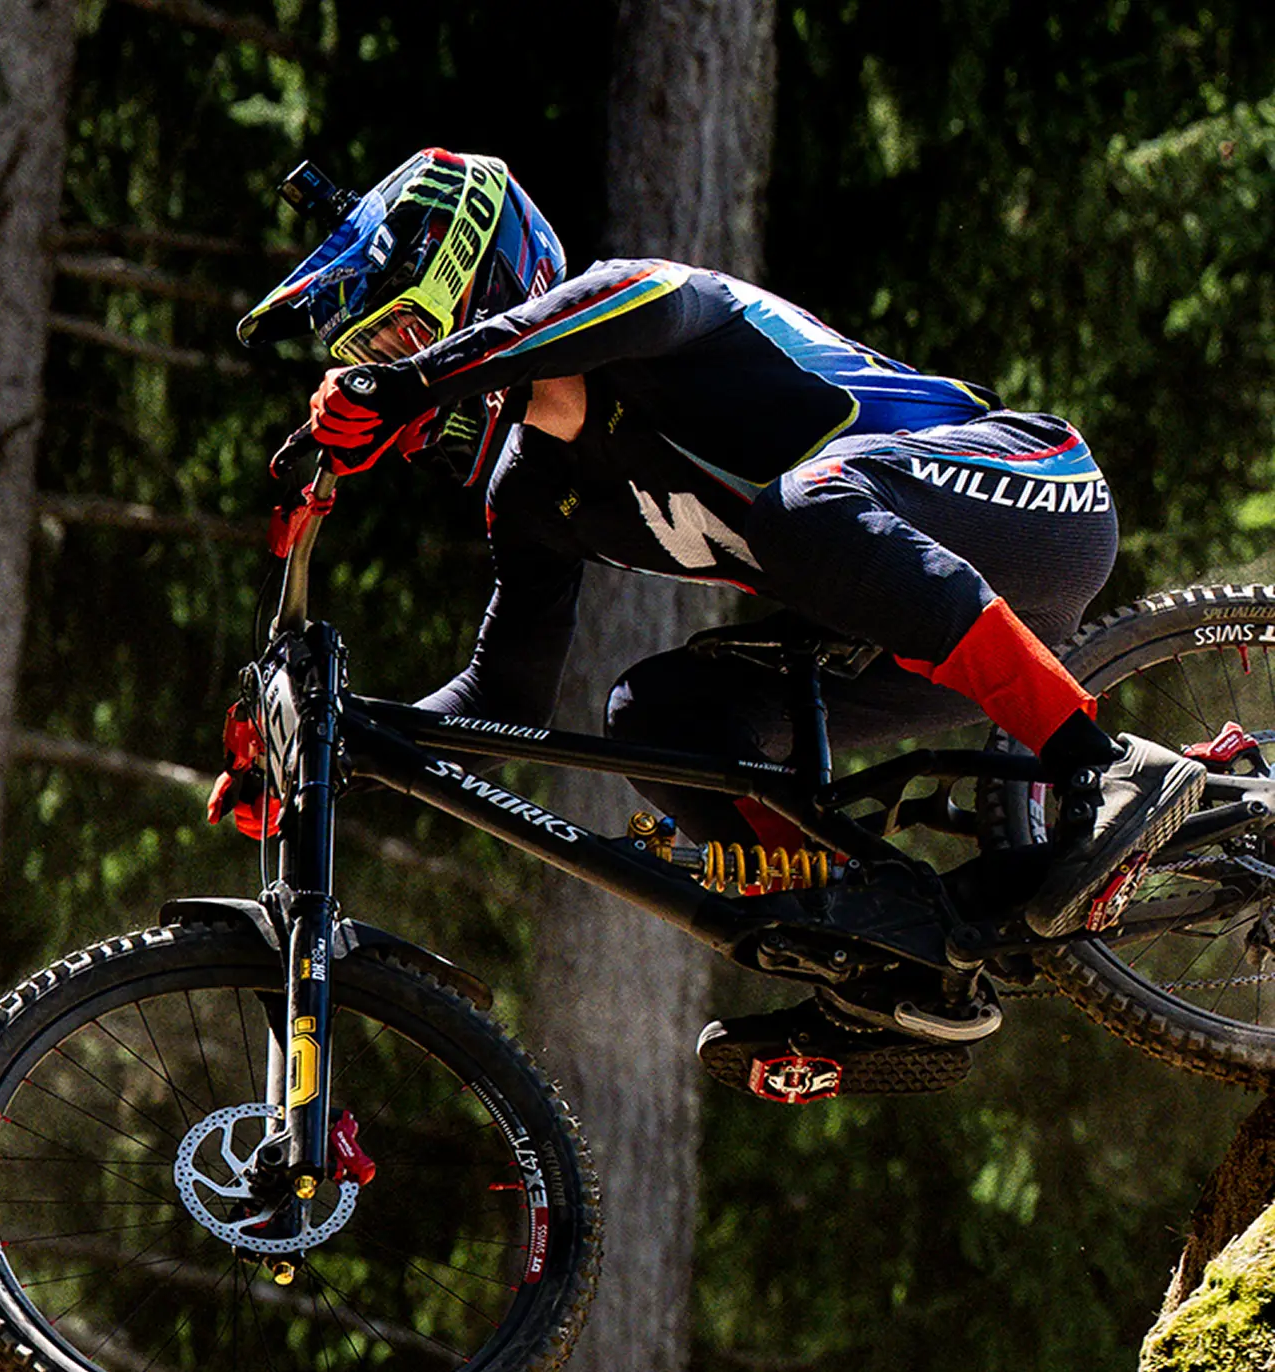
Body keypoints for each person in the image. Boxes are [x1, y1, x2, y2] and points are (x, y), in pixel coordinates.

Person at [233, 148, 1204, 1074]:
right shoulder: (529, 495)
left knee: (801, 507)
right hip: (897, 624)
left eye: (401, 336)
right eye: (368, 355)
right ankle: (884, 953)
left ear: (482, 283)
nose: (389, 373)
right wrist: (332, 760)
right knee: (652, 717)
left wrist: (412, 380)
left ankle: (1105, 762)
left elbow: (616, 310)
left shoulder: (638, 301)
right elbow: (504, 698)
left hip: (1031, 495)